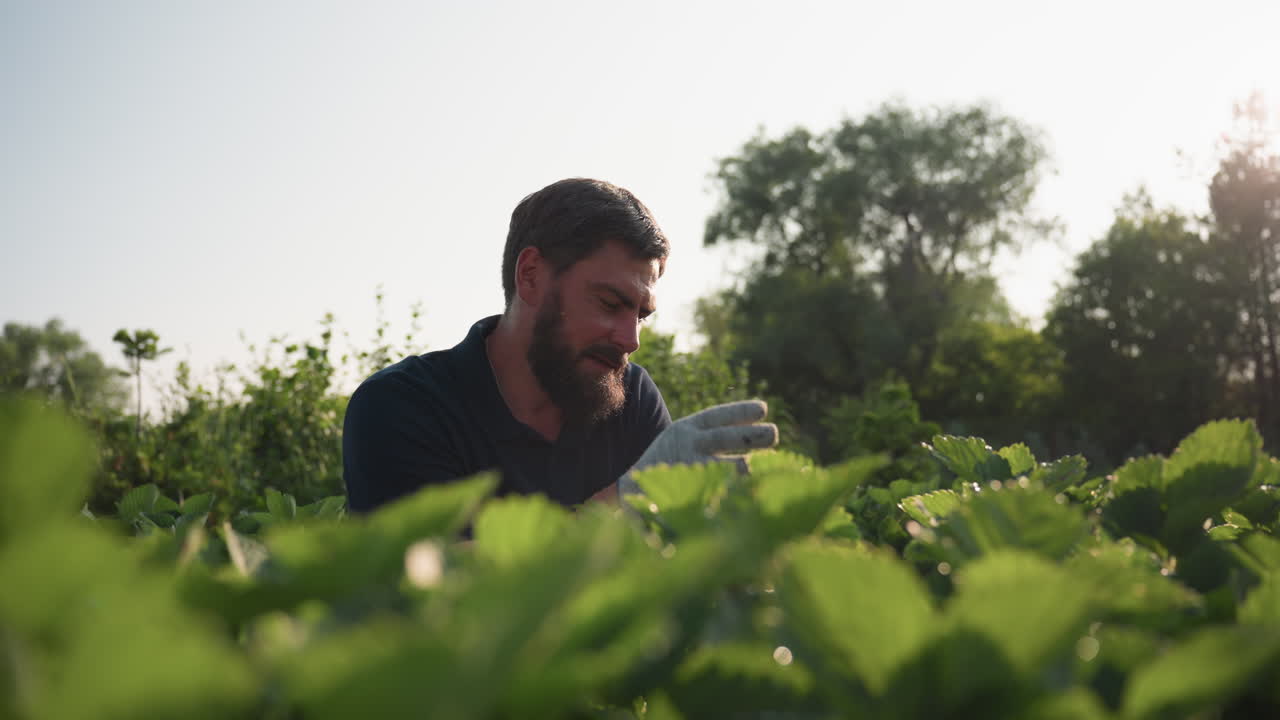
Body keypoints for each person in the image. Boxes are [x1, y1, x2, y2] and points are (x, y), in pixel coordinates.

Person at [342, 178, 777, 513]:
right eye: (610, 303)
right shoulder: (400, 406)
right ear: (530, 275)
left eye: (641, 315)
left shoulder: (632, 398)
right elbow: (442, 589)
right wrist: (628, 500)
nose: (631, 340)